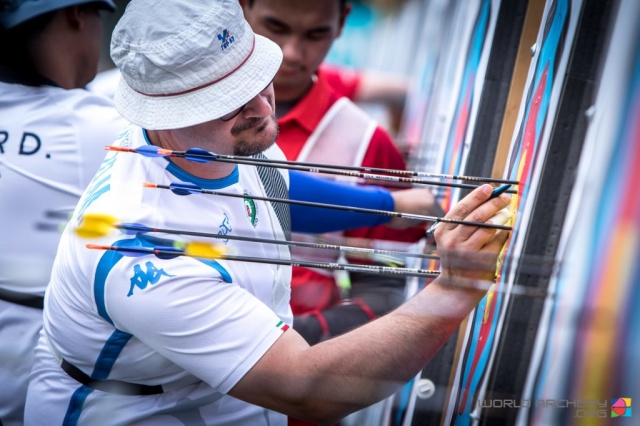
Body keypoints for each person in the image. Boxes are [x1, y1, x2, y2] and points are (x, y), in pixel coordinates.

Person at [23, 1, 510, 425]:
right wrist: (454, 290)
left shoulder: (211, 142)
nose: (261, 108)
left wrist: (390, 205)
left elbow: (269, 182)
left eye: (257, 79)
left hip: (210, 393)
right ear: (161, 116)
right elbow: (307, 390)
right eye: (226, 103)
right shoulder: (140, 252)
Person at [241, 0, 441, 345]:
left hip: (284, 374)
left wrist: (307, 332)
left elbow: (387, 285)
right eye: (276, 27)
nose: (292, 53)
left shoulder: (366, 142)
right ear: (244, 7)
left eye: (316, 34)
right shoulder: (193, 108)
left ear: (341, 21)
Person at [0, 1, 123, 424]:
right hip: (33, 379)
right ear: (76, 14)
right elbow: (253, 189)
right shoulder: (95, 125)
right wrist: (344, 204)